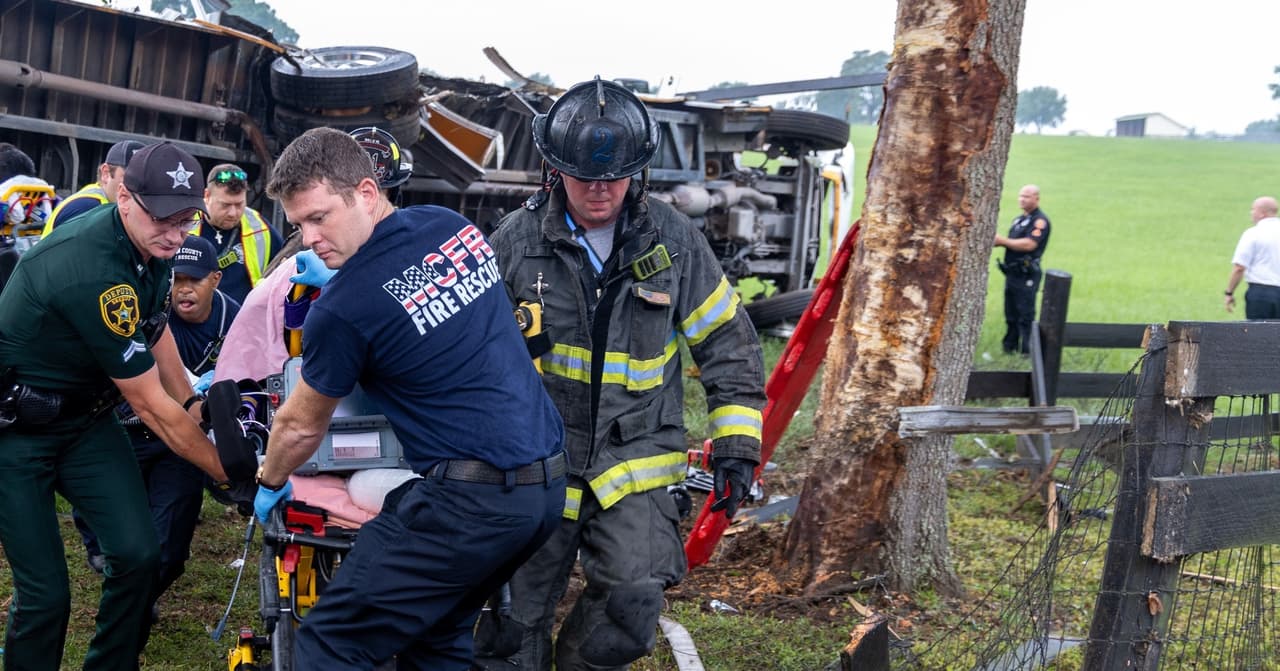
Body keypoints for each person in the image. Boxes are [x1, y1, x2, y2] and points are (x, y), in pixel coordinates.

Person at [474, 77, 766, 671]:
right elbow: (474, 355)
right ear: (556, 170)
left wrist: (737, 446)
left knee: (631, 606)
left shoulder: (676, 241)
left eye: (614, 176)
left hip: (634, 463)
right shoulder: (517, 240)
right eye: (585, 176)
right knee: (508, 622)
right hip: (536, 462)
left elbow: (728, 344)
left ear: (639, 171)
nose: (600, 189)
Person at [252, 127, 566, 669]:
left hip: (469, 505)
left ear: (367, 193)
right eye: (298, 224)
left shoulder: (342, 309)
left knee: (330, 641)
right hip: (545, 491)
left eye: (319, 217)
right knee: (437, 631)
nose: (307, 239)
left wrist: (271, 480)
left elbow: (300, 427)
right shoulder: (454, 229)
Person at [0, 141, 255, 670]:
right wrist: (233, 477)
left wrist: (193, 399)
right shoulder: (93, 268)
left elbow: (154, 326)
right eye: (161, 217)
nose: (174, 233)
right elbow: (151, 407)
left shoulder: (153, 249)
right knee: (46, 593)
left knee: (139, 555)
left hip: (84, 420)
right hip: (16, 432)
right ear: (123, 196)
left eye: (186, 221)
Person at [74, 235, 241, 610]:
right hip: (124, 429)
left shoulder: (237, 320)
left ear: (215, 279)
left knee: (170, 544)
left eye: (194, 279)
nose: (183, 289)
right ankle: (114, 573)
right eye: (176, 278)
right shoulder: (142, 310)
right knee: (109, 521)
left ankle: (137, 599)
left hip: (182, 439)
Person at [189, 162, 282, 303]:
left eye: (239, 205)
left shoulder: (260, 228)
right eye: (225, 205)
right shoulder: (184, 224)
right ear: (206, 196)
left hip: (241, 320)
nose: (233, 213)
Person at [41, 139, 146, 234]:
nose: (138, 186)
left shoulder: (99, 201)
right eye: (130, 177)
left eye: (145, 179)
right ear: (106, 173)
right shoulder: (88, 208)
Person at [994, 184, 1051, 355]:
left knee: (1025, 314)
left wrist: (1003, 241)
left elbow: (1030, 244)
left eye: (1027, 196)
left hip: (1026, 273)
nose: (1022, 199)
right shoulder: (1018, 220)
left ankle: (1027, 352)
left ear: (1036, 198)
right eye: (1021, 196)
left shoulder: (1040, 221)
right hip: (1012, 273)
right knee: (1010, 313)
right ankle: (1009, 348)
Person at [1225, 196, 1280, 319]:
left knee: (1258, 336)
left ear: (1262, 213)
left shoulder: (1253, 233)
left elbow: (1239, 267)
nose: (1251, 213)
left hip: (1261, 295)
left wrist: (1229, 292)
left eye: (1253, 209)